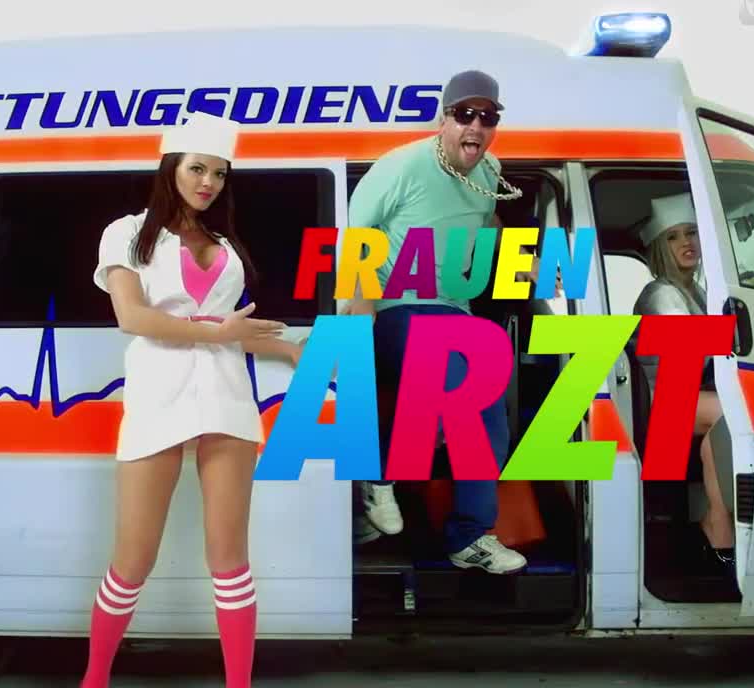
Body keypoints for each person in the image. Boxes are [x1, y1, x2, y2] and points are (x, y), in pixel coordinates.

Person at [83, 112, 303, 688]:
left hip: (227, 398)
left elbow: (233, 332)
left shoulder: (224, 245)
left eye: (220, 174)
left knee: (230, 560)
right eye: (198, 169)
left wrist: (289, 352)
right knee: (133, 559)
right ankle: (94, 679)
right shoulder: (127, 233)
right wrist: (219, 333)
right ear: (171, 168)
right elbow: (133, 317)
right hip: (159, 396)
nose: (209, 182)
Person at [343, 69, 528, 574]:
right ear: (444, 118)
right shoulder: (401, 166)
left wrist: (523, 260)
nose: (476, 126)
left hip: (453, 307)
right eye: (465, 114)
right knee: (453, 376)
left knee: (488, 403)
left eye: (487, 117)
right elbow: (355, 233)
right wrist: (360, 307)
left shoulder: (489, 172)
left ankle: (469, 537)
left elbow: (487, 221)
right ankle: (379, 478)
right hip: (395, 304)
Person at [632, 191, 736, 573]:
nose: (686, 242)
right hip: (662, 402)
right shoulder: (661, 294)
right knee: (730, 414)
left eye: (691, 232)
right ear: (661, 247)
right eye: (673, 237)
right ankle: (718, 524)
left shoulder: (696, 291)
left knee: (724, 426)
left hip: (687, 396)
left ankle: (718, 524)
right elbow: (691, 347)